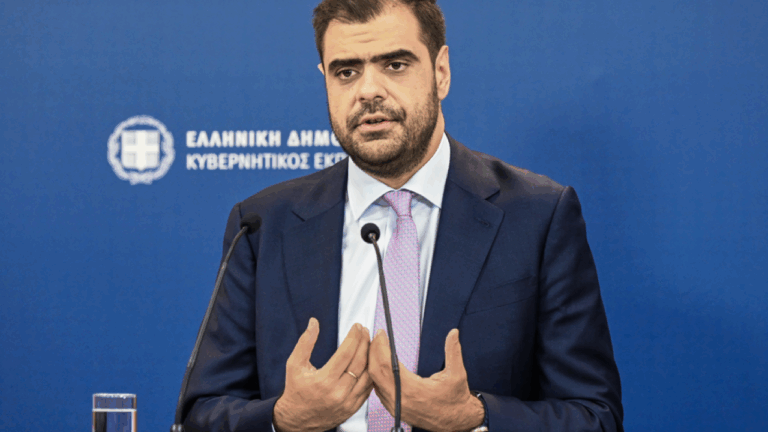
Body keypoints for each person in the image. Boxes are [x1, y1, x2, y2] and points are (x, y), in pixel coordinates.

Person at [180, 1, 623, 431]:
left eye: (394, 64)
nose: (368, 91)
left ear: (441, 71)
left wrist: (475, 419)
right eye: (346, 71)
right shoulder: (262, 224)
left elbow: (594, 416)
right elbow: (200, 413)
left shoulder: (537, 216)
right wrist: (282, 420)